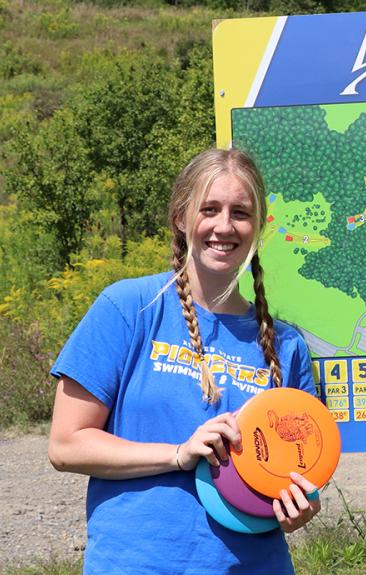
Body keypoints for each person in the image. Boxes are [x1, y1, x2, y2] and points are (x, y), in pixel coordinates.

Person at [47, 148, 322, 574]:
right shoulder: (129, 308)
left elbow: (302, 469)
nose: (224, 226)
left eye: (241, 213)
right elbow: (66, 445)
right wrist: (178, 453)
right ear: (181, 216)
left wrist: (300, 506)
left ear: (259, 227)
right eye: (209, 209)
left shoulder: (287, 346)